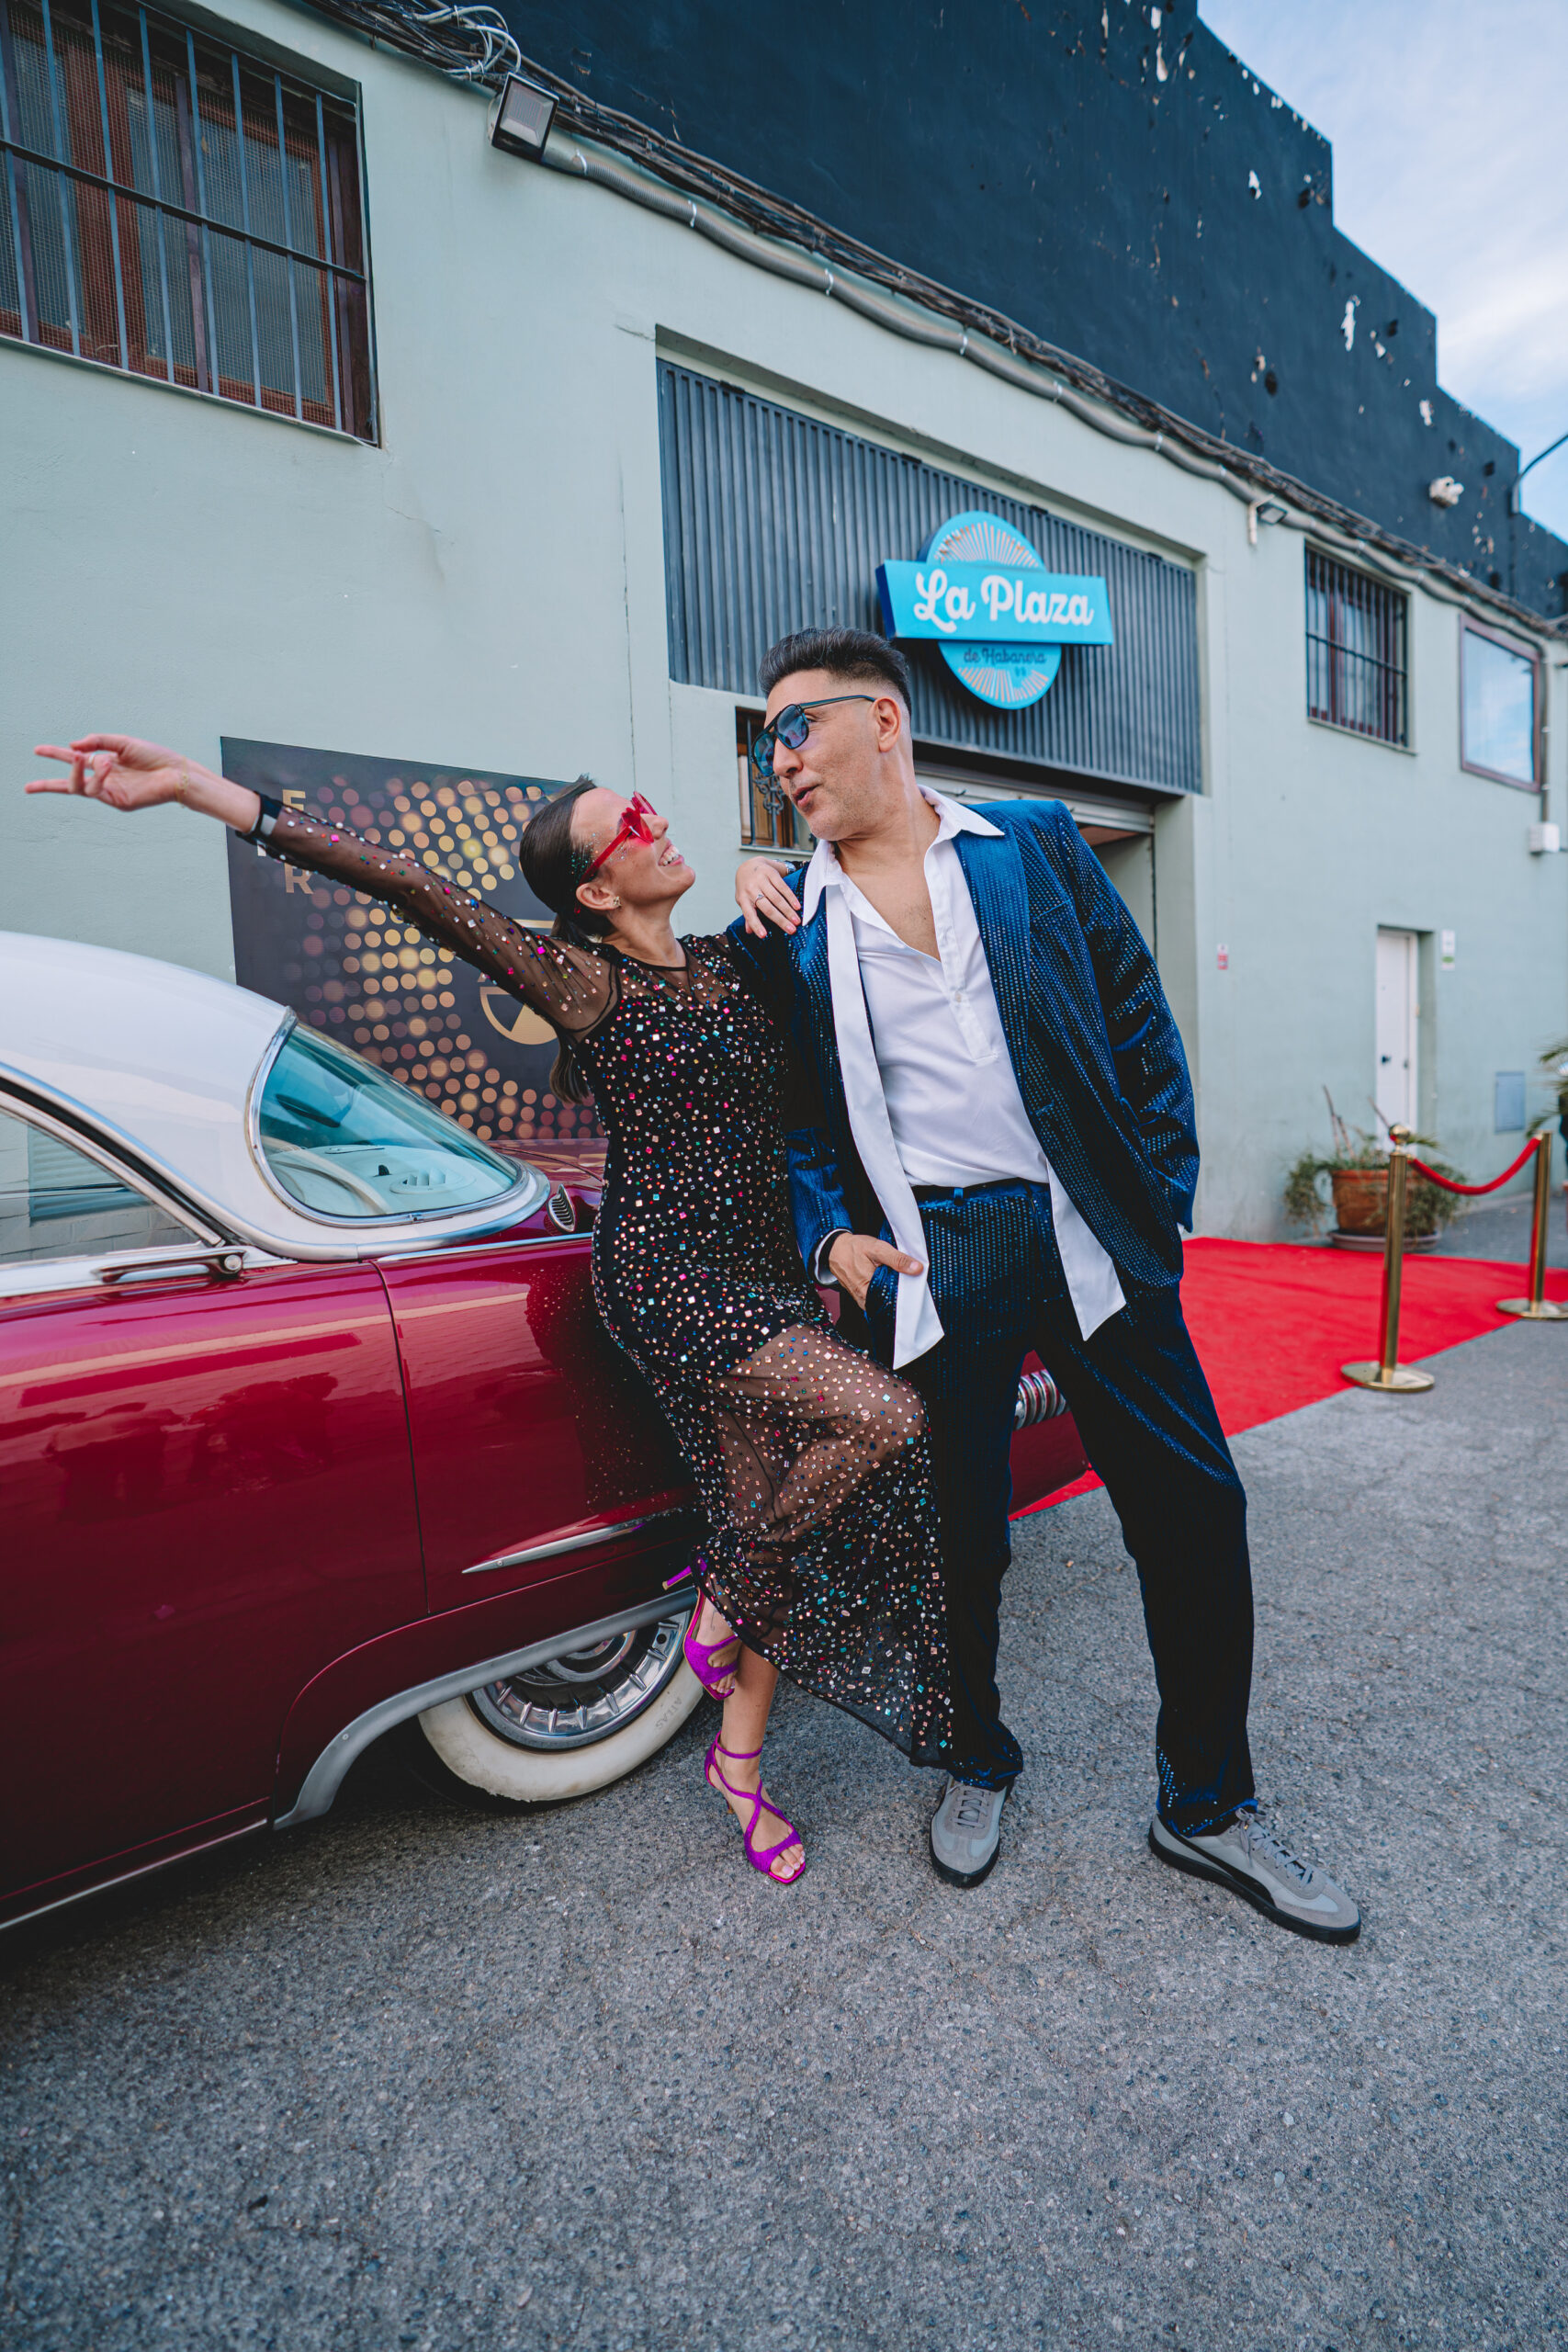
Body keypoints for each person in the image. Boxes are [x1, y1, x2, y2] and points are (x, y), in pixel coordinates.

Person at [27, 732, 951, 1886]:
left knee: (764, 1507)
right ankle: (720, 1600)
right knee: (882, 1419)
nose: (660, 822)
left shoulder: (728, 960)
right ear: (596, 891)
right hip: (670, 1279)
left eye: (647, 806)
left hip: (761, 1268)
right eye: (631, 826)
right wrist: (200, 792)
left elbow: (866, 919)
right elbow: (410, 885)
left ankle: (739, 1762)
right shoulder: (583, 981)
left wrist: (783, 868)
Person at [729, 628, 1360, 1939]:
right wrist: (828, 1236)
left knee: (1193, 1509)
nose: (779, 757)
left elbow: (1134, 1009)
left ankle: (1207, 1802)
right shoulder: (788, 922)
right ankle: (976, 1755)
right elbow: (790, 1112)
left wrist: (1160, 1194)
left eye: (797, 726)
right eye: (765, 739)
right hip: (936, 1253)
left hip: (1088, 1231)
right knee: (958, 1537)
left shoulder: (1030, 841)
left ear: (883, 721)